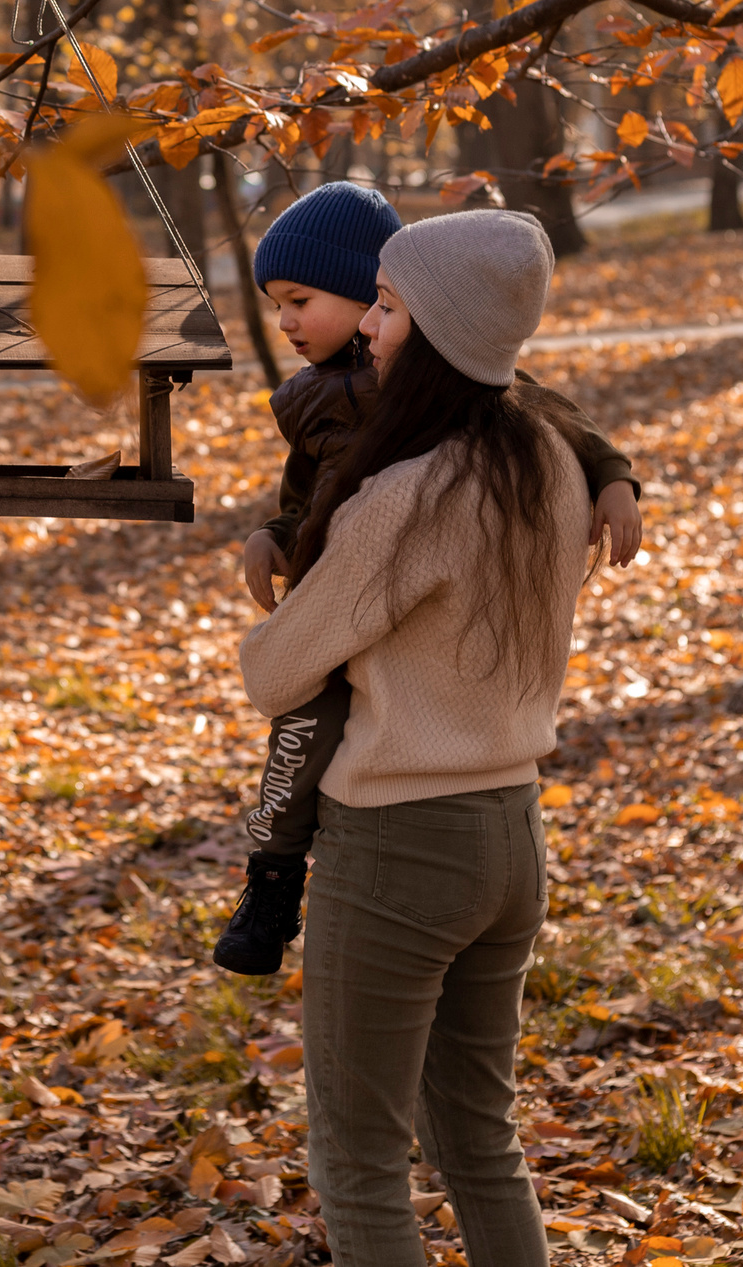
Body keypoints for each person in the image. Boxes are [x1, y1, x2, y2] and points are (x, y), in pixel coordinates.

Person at [238, 209, 603, 1267]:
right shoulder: (547, 460)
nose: (372, 330)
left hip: (397, 847)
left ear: (436, 325)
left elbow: (276, 673)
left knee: (358, 1161)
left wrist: (278, 593)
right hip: (511, 839)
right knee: (482, 1145)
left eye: (389, 307)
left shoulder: (407, 497)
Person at [213, 185, 640, 975]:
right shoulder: (314, 401)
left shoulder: (456, 424)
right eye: (277, 304)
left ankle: (272, 880)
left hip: (397, 769)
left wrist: (614, 479)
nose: (286, 322)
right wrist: (272, 537)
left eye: (303, 300)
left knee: (299, 721)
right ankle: (270, 877)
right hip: (486, 796)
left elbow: (559, 416)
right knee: (294, 746)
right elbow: (303, 495)